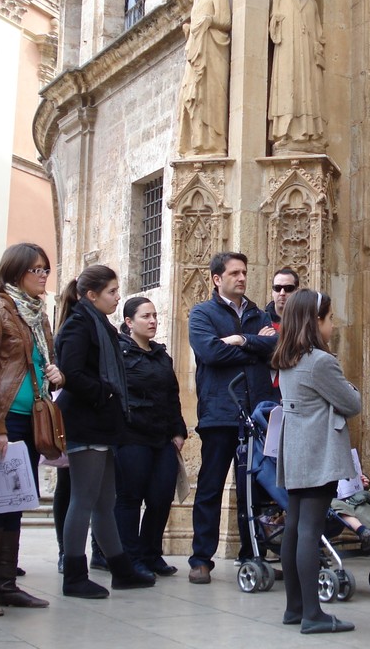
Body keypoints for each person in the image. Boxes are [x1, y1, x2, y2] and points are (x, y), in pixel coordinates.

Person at [0, 243, 63, 616]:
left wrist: (57, 373)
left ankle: (6, 584)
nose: (43, 276)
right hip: (3, 420)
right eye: (35, 270)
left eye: (45, 269)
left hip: (32, 418)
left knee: (17, 501)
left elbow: (45, 362)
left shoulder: (38, 315)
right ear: (15, 272)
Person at [54, 265, 155, 597]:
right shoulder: (79, 326)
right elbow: (70, 372)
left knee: (104, 501)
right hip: (86, 423)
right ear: (91, 295)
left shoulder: (100, 325)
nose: (117, 297)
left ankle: (121, 569)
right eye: (112, 292)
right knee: (83, 500)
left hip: (103, 425)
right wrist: (105, 393)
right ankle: (73, 574)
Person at [271, 289, 360, 634]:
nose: (333, 324)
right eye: (330, 317)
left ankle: (295, 607)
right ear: (315, 321)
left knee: (295, 527)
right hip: (318, 452)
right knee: (309, 529)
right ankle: (313, 613)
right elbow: (352, 403)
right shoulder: (320, 361)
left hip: (296, 450)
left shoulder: (286, 357)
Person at [187, 251, 278, 584]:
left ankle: (253, 553)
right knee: (210, 487)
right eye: (235, 273)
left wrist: (242, 339)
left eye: (245, 272)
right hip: (220, 413)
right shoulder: (202, 314)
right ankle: (201, 559)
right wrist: (257, 347)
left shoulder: (258, 314)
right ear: (217, 279)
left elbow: (278, 347)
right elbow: (210, 352)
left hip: (258, 415)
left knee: (254, 488)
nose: (242, 278)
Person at [114, 296, 187, 577]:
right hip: (132, 435)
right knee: (130, 498)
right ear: (129, 322)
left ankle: (151, 553)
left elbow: (172, 395)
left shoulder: (161, 355)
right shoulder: (120, 354)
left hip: (162, 437)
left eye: (155, 315)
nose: (153, 321)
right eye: (146, 316)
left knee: (161, 497)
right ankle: (130, 558)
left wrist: (178, 430)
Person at [269, 0, 326, 153]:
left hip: (307, 57)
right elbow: (273, 28)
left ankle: (308, 133)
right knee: (287, 91)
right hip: (287, 53)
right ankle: (286, 132)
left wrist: (318, 48)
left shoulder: (312, 3)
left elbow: (319, 34)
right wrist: (276, 24)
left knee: (307, 93)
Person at [178, 0, 231, 157]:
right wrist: (190, 29)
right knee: (193, 95)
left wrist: (208, 21)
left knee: (210, 95)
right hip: (197, 53)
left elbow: (225, 22)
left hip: (212, 54)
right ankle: (197, 142)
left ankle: (213, 143)